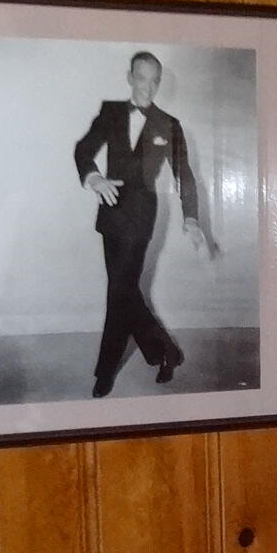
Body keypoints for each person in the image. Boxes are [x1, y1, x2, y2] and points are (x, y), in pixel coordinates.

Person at [73, 50, 204, 397]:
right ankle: (166, 351)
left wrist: (191, 218)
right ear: (130, 78)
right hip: (110, 211)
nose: (148, 87)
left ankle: (105, 371)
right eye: (142, 78)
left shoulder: (168, 124)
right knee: (124, 291)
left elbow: (184, 174)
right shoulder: (111, 112)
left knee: (119, 291)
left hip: (141, 216)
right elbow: (83, 149)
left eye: (154, 81)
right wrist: (94, 178)